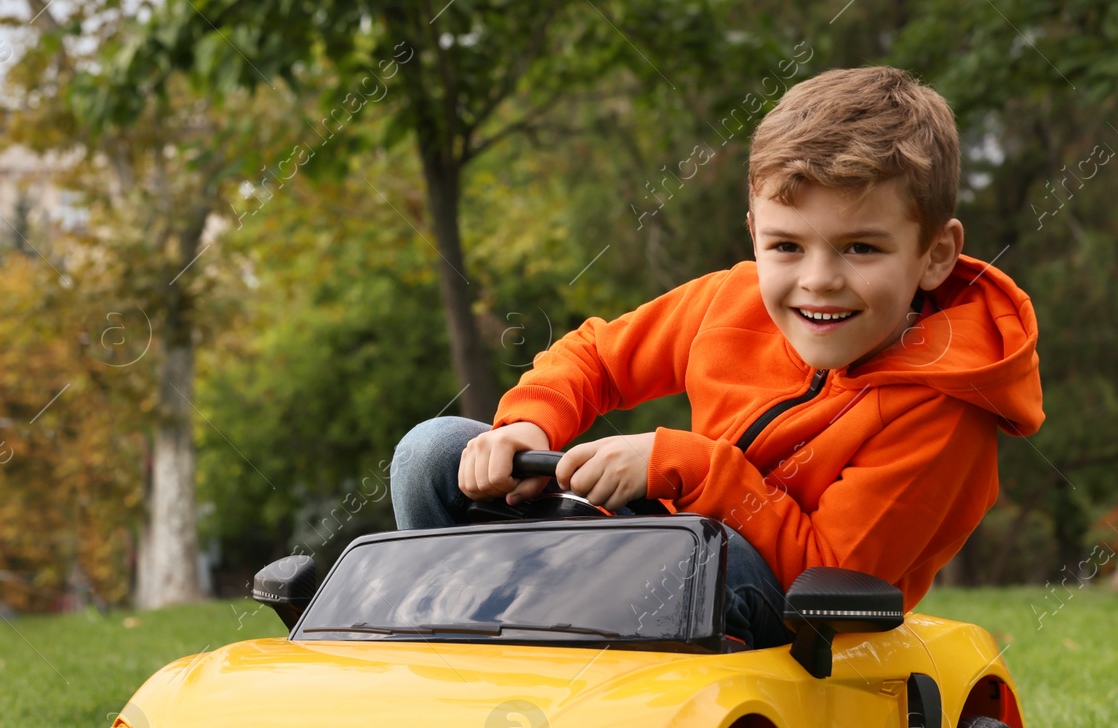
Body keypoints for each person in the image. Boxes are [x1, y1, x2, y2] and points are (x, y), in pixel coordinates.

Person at [391, 66, 1044, 649]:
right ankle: (462, 646)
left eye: (861, 248)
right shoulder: (732, 301)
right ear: (755, 233)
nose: (818, 279)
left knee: (692, 567)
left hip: (783, 615)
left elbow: (823, 572)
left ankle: (538, 630)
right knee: (430, 453)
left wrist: (685, 466)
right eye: (787, 246)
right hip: (652, 543)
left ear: (934, 254)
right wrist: (530, 426)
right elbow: (598, 357)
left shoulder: (945, 408)